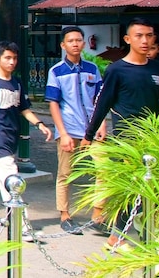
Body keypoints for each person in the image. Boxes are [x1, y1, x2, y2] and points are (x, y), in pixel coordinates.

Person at [83, 17, 159, 252]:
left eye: (149, 36)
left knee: (153, 191)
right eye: (139, 36)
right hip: (127, 143)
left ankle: (148, 237)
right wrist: (89, 134)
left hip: (155, 141)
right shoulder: (117, 70)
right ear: (128, 39)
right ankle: (117, 237)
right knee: (131, 190)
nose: (145, 41)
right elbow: (102, 104)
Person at [0, 41, 52, 239]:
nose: (11, 62)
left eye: (14, 58)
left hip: (11, 137)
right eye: (7, 58)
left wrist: (40, 124)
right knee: (11, 180)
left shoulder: (17, 83)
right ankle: (20, 225)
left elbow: (24, 109)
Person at [45, 26, 106, 234]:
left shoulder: (92, 69)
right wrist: (62, 133)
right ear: (63, 45)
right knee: (65, 174)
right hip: (69, 129)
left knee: (104, 170)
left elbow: (100, 99)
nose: (75, 44)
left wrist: (103, 124)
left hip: (93, 129)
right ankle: (65, 215)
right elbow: (53, 103)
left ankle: (98, 214)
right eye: (70, 41)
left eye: (79, 40)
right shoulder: (56, 71)